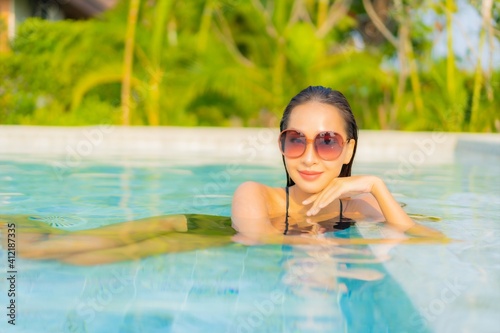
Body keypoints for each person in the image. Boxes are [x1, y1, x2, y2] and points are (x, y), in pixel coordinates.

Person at [0, 86, 446, 265]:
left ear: (348, 148)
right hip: (196, 226)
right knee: (59, 250)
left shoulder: (359, 202)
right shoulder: (256, 195)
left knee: (82, 259)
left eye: (327, 141)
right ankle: (11, 228)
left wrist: (376, 188)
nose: (310, 156)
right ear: (281, 146)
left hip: (206, 238)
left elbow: (435, 241)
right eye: (296, 140)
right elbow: (261, 242)